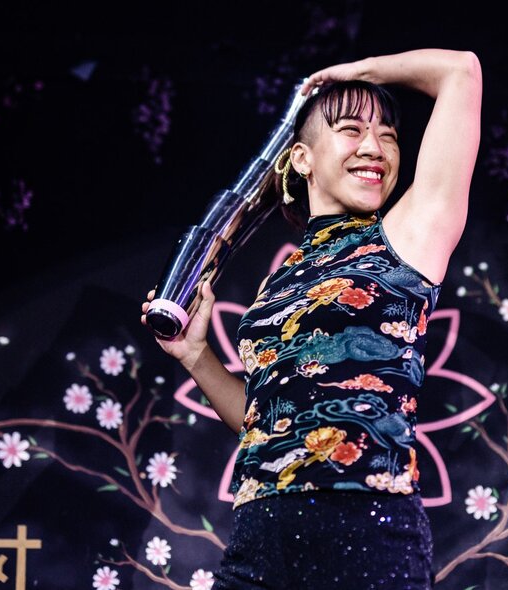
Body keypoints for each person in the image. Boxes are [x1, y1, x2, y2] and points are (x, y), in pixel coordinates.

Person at [141, 48, 481, 589]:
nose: (374, 147)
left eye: (388, 135)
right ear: (301, 158)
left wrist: (357, 74)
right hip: (260, 534)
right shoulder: (278, 283)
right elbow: (264, 422)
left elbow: (461, 71)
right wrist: (197, 356)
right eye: (351, 130)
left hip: (367, 531)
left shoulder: (410, 237)